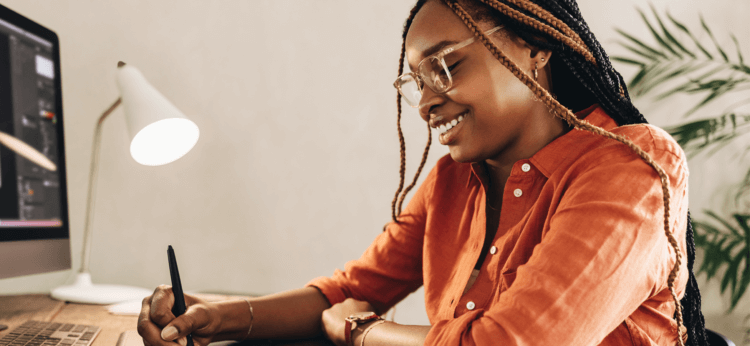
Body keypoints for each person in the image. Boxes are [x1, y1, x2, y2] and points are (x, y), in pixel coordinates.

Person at [137, 0, 709, 345]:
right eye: (417, 81)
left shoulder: (630, 167)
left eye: (446, 67)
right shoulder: (452, 183)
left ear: (535, 46)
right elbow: (348, 292)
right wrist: (214, 317)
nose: (426, 103)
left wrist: (364, 334)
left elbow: (508, 345)